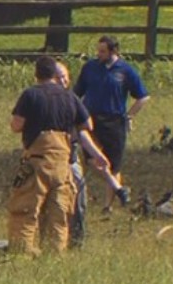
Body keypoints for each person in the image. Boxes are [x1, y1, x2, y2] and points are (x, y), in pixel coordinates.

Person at [7, 56, 110, 257]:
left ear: (36, 74)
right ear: (55, 74)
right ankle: (54, 254)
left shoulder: (30, 94)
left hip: (38, 163)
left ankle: (21, 253)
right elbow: (88, 125)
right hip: (63, 165)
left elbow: (16, 125)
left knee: (25, 210)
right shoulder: (69, 96)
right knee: (59, 212)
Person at [73, 35, 150, 213]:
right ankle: (118, 188)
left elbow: (142, 97)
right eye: (98, 50)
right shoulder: (90, 68)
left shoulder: (125, 71)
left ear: (114, 51)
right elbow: (77, 93)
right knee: (92, 160)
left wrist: (129, 116)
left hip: (115, 121)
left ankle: (108, 205)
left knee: (114, 164)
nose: (98, 54)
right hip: (91, 119)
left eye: (103, 51)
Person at [54, 62, 128, 245]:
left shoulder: (72, 100)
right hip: (48, 161)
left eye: (65, 76)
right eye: (58, 77)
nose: (62, 80)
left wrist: (97, 154)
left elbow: (83, 131)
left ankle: (77, 239)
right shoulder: (38, 98)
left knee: (79, 196)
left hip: (69, 159)